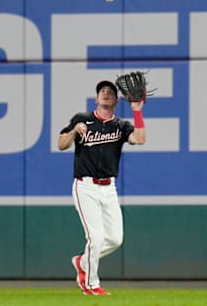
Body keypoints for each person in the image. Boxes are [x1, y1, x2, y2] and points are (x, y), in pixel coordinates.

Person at [57, 80, 146, 296]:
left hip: (109, 188)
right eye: (102, 92)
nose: (106, 94)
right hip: (85, 186)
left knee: (115, 238)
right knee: (96, 237)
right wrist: (74, 134)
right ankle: (91, 284)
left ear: (116, 100)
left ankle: (82, 261)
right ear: (96, 99)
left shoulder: (121, 126)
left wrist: (137, 112)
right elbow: (61, 144)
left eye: (110, 92)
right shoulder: (82, 119)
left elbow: (140, 139)